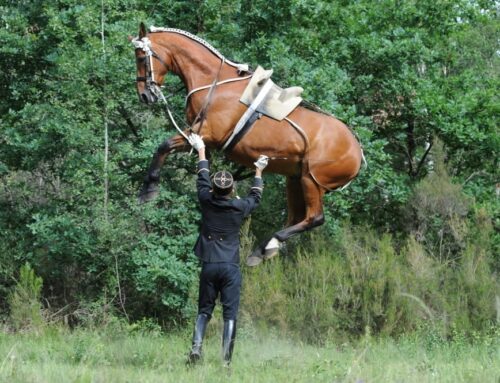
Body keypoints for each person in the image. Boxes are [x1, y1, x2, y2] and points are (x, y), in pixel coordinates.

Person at [186, 133, 268, 366]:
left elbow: (202, 177)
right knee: (230, 314)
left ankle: (196, 348)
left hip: (209, 265)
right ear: (231, 190)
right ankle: (226, 362)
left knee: (204, 310)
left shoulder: (206, 199)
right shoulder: (239, 207)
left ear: (213, 189)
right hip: (230, 266)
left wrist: (201, 149)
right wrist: (258, 170)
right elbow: (256, 196)